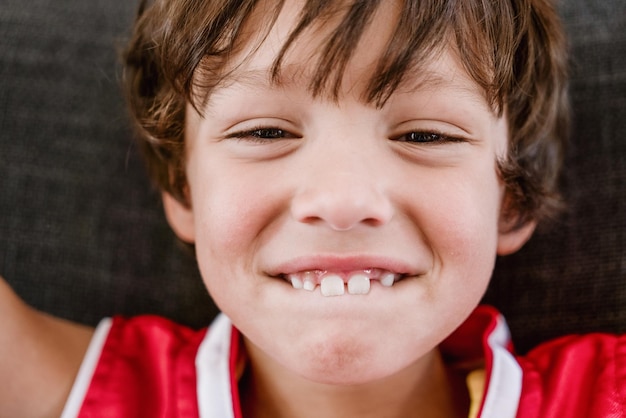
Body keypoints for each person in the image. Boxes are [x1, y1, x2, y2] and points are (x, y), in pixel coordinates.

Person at [0, 0, 623, 417]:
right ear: (185, 190)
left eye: (425, 135)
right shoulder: (106, 392)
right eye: (265, 133)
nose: (342, 201)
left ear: (511, 202)